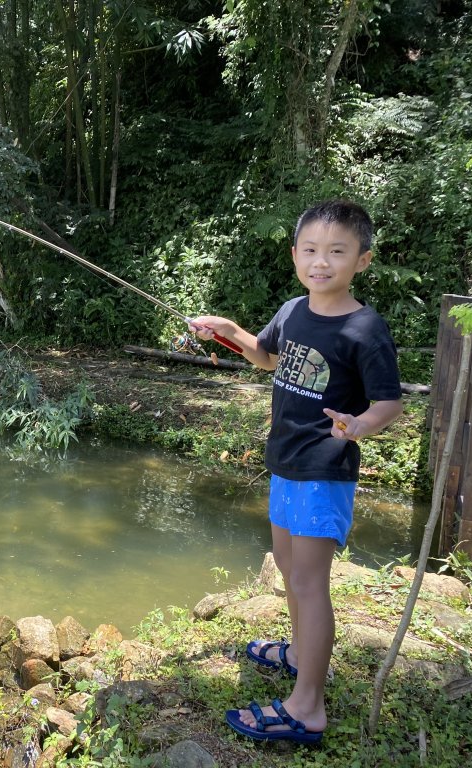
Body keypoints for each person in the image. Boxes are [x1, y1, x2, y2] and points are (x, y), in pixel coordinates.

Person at [191, 199, 403, 744]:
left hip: (324, 470)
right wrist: (228, 330)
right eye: (310, 250)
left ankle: (307, 707)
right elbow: (267, 356)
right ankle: (301, 653)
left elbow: (389, 403)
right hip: (285, 462)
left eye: (337, 251)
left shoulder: (364, 328)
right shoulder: (292, 310)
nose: (321, 262)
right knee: (289, 569)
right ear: (294, 255)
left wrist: (358, 425)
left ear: (363, 260)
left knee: (310, 583)